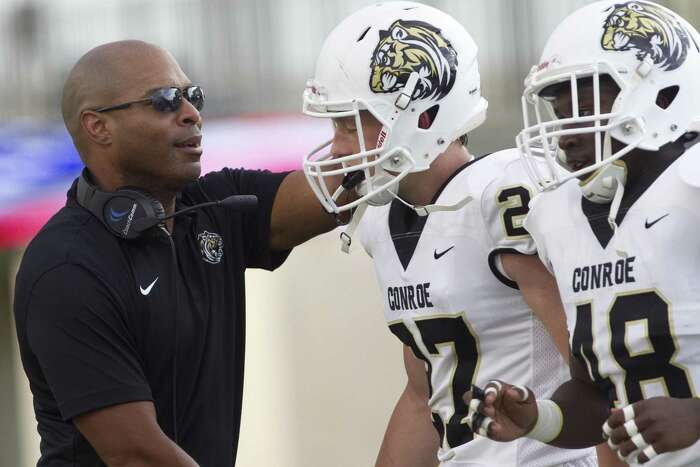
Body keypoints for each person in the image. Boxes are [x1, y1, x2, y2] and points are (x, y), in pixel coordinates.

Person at [13, 40, 340, 466]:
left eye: (194, 96)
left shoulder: (217, 205)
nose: (192, 114)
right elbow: (136, 455)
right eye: (165, 100)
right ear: (98, 127)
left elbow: (338, 188)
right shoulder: (66, 267)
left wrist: (398, 127)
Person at [302, 2, 598, 466]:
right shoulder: (383, 221)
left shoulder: (504, 196)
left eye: (352, 123)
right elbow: (425, 397)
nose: (339, 145)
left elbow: (599, 375)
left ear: (424, 116)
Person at [465, 1, 700, 465]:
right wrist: (538, 419)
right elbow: (597, 398)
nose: (565, 135)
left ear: (664, 95)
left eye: (587, 108)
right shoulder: (561, 216)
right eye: (560, 113)